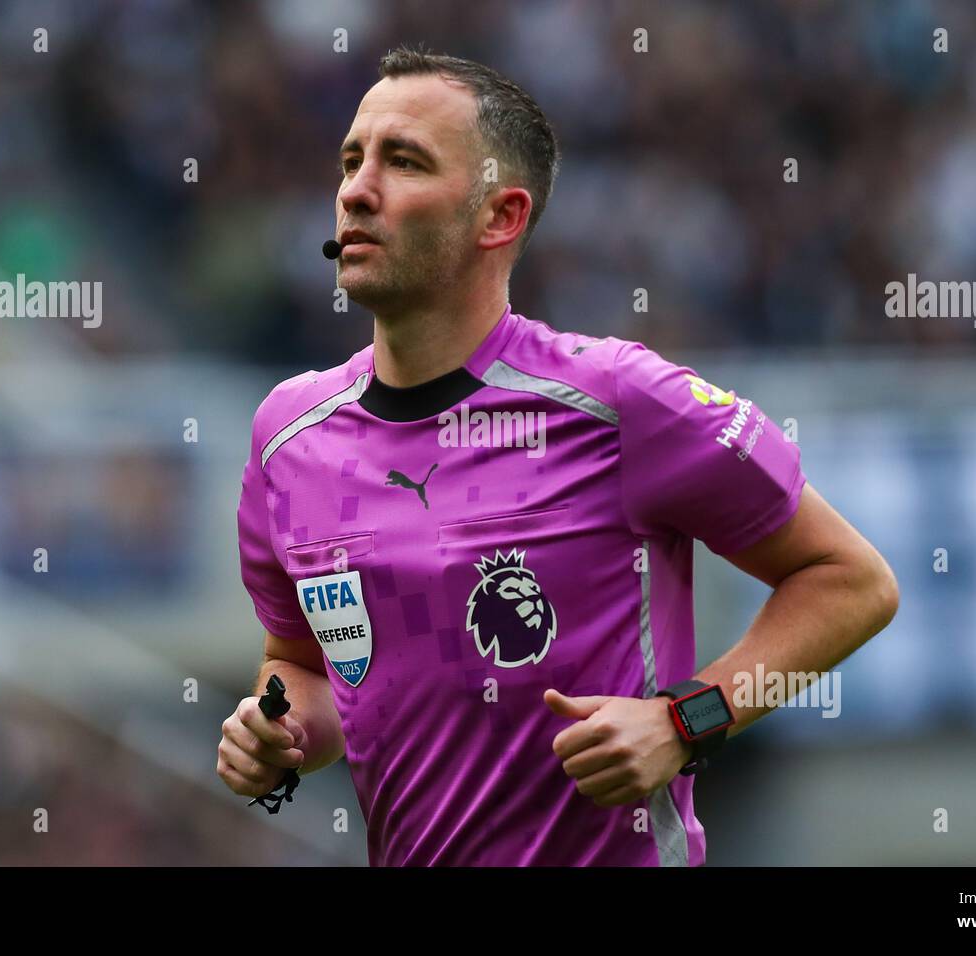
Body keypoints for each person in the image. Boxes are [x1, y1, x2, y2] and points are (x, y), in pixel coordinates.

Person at [218, 45, 898, 866]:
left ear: (499, 217)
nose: (356, 190)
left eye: (404, 162)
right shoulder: (289, 438)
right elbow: (302, 669)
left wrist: (687, 721)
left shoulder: (619, 400)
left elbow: (852, 582)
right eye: (351, 159)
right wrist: (278, 730)